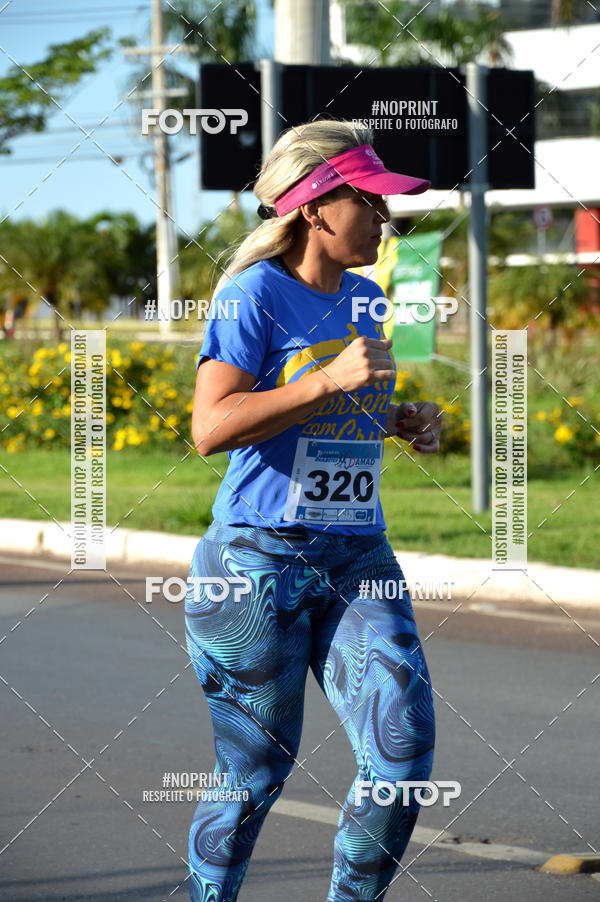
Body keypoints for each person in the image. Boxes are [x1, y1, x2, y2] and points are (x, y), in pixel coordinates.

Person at [185, 119, 442, 902]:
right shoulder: (251, 296)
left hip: (359, 557)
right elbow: (210, 428)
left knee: (402, 757)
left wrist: (399, 420)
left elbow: (342, 413)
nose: (385, 221)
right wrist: (324, 382)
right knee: (254, 773)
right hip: (256, 564)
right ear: (317, 206)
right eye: (372, 203)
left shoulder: (367, 298)